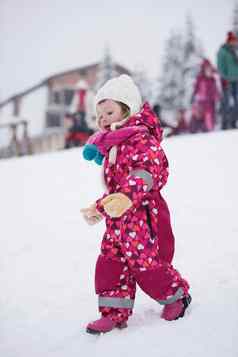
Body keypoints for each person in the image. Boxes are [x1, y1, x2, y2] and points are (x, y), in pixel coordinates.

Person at [80, 75, 191, 335]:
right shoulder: (114, 144)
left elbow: (149, 170)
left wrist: (128, 196)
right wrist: (101, 207)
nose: (103, 118)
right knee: (111, 262)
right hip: (117, 218)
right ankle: (113, 312)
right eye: (99, 115)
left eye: (109, 111)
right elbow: (115, 186)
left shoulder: (141, 139)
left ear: (127, 109)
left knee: (145, 261)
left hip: (142, 213)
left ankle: (176, 296)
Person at [190, 59, 220, 133]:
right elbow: (196, 88)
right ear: (203, 70)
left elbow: (215, 90)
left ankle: (210, 129)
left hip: (211, 102)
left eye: (210, 70)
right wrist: (194, 97)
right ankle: (197, 129)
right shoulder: (200, 79)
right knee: (199, 116)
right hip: (201, 101)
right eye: (207, 69)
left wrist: (217, 97)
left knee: (210, 115)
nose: (208, 72)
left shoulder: (213, 80)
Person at [217, 31, 238, 129]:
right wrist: (224, 77)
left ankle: (233, 122)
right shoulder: (223, 51)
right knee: (227, 102)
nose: (235, 43)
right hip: (227, 81)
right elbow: (220, 67)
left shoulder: (235, 51)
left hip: (236, 80)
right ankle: (225, 124)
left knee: (236, 102)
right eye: (233, 41)